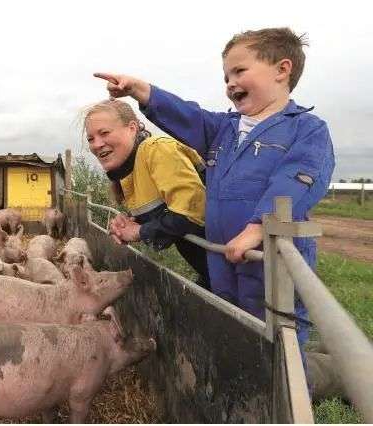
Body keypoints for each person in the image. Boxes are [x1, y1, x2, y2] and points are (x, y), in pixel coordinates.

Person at [94, 27, 335, 351]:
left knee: (280, 340)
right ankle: (239, 391)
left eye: (239, 71)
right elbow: (187, 115)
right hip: (223, 256)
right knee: (230, 328)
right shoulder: (224, 129)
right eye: (225, 77)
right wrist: (141, 90)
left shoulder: (305, 129)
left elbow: (298, 178)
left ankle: (288, 395)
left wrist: (258, 227)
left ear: (282, 70)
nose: (230, 83)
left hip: (270, 259)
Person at [84, 99, 211, 290]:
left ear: (132, 128)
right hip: (210, 268)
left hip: (237, 267)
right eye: (91, 139)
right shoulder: (128, 171)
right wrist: (132, 223)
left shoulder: (156, 149)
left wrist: (139, 232)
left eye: (104, 133)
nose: (97, 144)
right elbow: (165, 213)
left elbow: (194, 212)